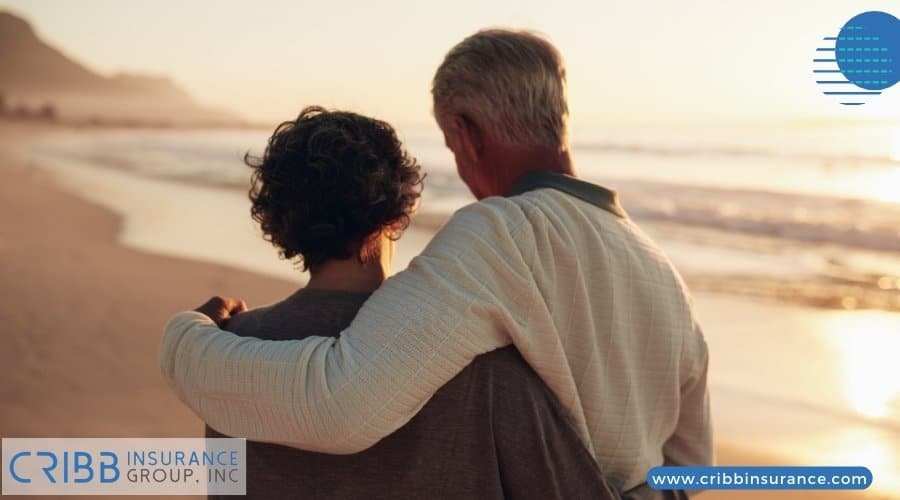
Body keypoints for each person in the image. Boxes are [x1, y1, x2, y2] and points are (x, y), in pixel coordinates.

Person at [161, 29, 713, 495]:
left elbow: (340, 402)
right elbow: (694, 475)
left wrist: (187, 342)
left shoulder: (500, 233)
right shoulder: (664, 274)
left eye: (451, 147)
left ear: (468, 135)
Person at [202, 106, 618, 499]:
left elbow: (226, 488)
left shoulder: (223, 358)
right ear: (400, 210)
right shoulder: (484, 365)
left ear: (279, 221)